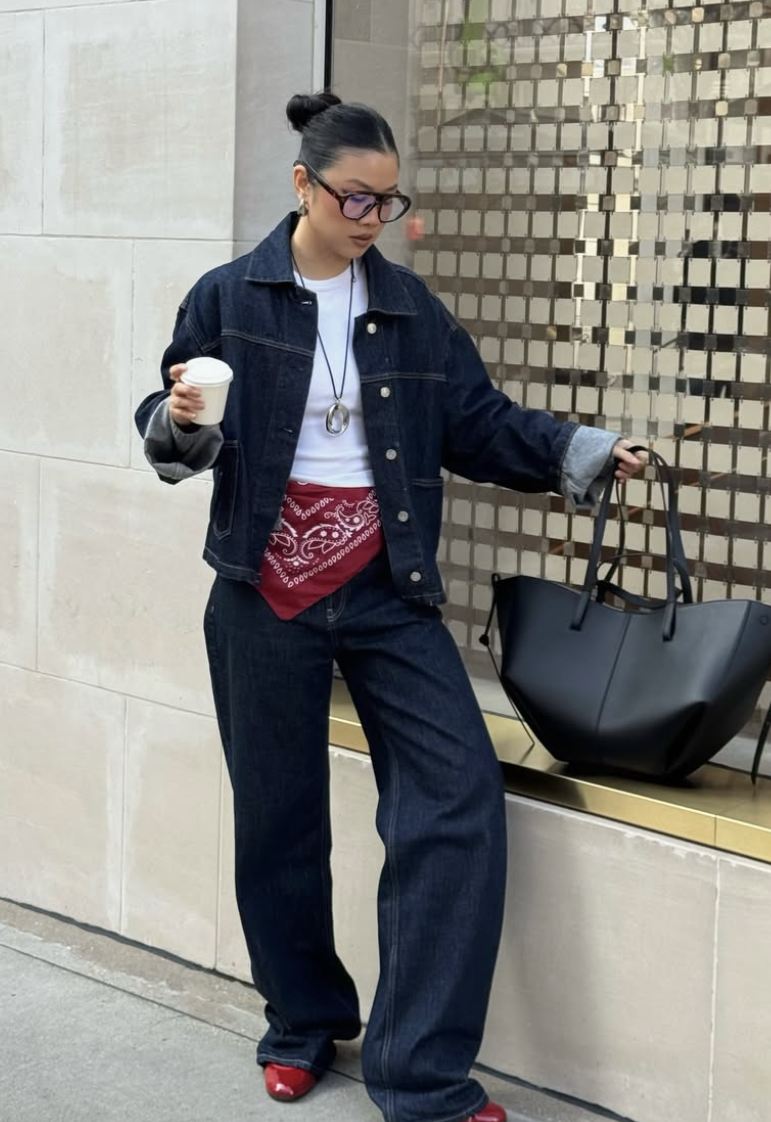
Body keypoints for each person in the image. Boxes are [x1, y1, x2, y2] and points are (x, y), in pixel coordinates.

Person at [135, 91, 644, 1122]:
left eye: (386, 199)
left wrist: (580, 452)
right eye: (352, 196)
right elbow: (167, 432)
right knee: (276, 820)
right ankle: (302, 1021)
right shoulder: (228, 296)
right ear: (302, 187)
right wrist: (181, 417)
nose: (372, 215)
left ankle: (420, 1073)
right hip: (259, 590)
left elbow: (477, 422)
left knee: (456, 799)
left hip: (389, 586)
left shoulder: (410, 307)